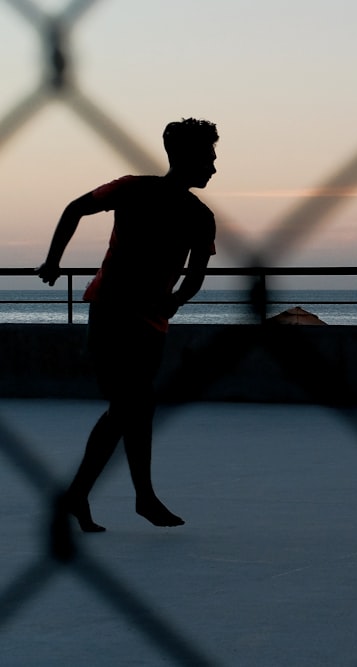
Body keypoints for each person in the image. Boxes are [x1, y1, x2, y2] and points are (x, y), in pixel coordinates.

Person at [36, 118, 219, 532]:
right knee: (131, 404)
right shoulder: (139, 190)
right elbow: (75, 209)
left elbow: (194, 276)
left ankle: (87, 496)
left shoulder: (196, 214)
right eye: (208, 159)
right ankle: (136, 498)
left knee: (133, 407)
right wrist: (53, 260)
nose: (213, 168)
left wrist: (172, 303)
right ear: (185, 158)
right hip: (112, 312)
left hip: (150, 322)